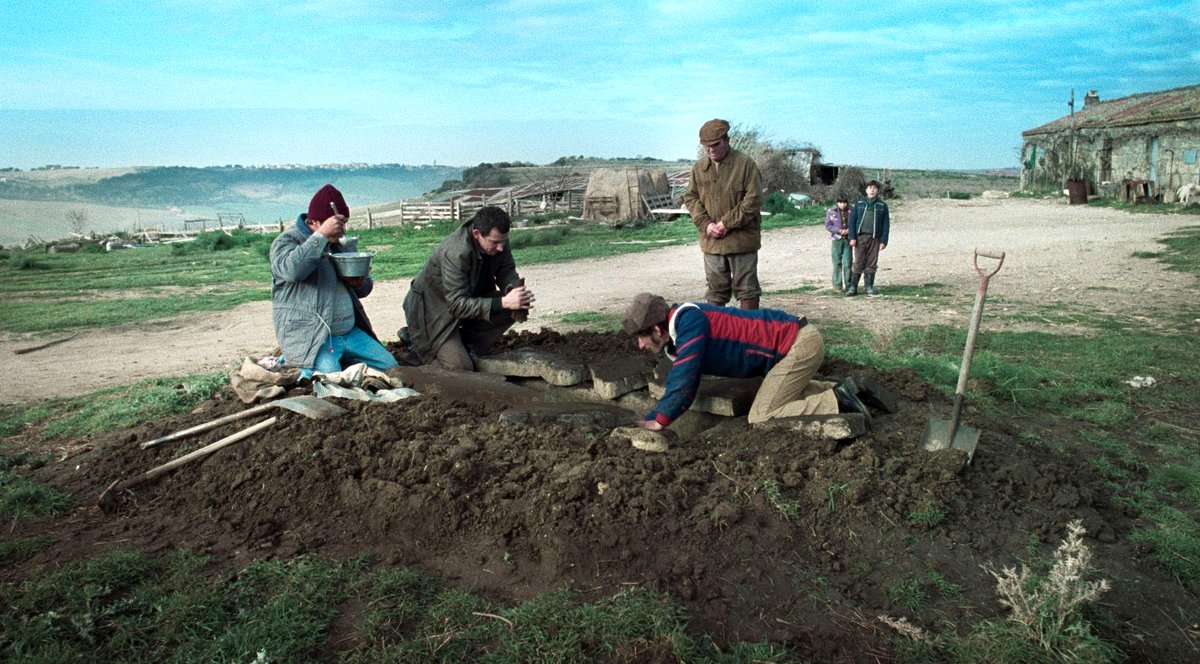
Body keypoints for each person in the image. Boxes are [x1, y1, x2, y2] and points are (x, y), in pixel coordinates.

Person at [621, 292, 869, 429]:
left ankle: (838, 400)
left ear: (655, 330)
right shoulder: (677, 339)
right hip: (792, 346)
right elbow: (687, 383)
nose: (640, 346)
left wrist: (660, 421)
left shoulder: (689, 321)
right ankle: (847, 389)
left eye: (640, 338)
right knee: (777, 393)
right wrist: (653, 417)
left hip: (798, 345)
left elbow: (683, 377)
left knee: (761, 415)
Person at [270, 184, 398, 377]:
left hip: (349, 333)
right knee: (330, 378)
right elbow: (292, 271)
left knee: (391, 368)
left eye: (344, 223)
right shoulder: (287, 241)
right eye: (337, 224)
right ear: (314, 221)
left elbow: (365, 288)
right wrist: (320, 236)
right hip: (315, 336)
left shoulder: (339, 242)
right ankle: (292, 359)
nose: (342, 229)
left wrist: (359, 283)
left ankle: (336, 359)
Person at [402, 205, 534, 371]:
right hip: (433, 310)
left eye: (503, 241)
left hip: (466, 298)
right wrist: (504, 302)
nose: (501, 247)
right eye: (495, 243)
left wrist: (513, 291)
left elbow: (506, 270)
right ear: (477, 234)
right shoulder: (456, 252)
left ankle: (463, 344)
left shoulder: (497, 239)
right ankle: (418, 343)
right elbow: (457, 305)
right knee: (461, 367)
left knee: (515, 307)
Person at [682, 118, 764, 310]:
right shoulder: (699, 168)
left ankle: (750, 334)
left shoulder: (745, 164)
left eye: (715, 145)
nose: (711, 150)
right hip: (712, 243)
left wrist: (726, 223)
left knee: (747, 290)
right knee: (715, 292)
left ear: (727, 140)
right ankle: (719, 335)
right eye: (706, 147)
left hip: (741, 242)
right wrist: (706, 224)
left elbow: (753, 200)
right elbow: (691, 198)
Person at [846, 180, 890, 296]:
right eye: (870, 188)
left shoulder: (882, 205)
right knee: (858, 262)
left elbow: (886, 224)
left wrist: (884, 240)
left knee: (871, 262)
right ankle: (853, 287)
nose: (872, 190)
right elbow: (852, 222)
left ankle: (868, 287)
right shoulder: (859, 204)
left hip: (875, 238)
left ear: (878, 191)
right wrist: (852, 237)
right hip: (860, 237)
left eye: (874, 188)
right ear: (866, 190)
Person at [824, 196, 853, 291]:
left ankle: (849, 285)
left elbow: (856, 223)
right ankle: (837, 285)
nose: (843, 205)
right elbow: (828, 225)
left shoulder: (852, 210)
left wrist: (849, 230)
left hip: (848, 239)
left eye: (845, 203)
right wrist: (839, 230)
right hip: (836, 239)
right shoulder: (831, 211)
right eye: (840, 203)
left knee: (847, 263)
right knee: (837, 262)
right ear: (837, 203)